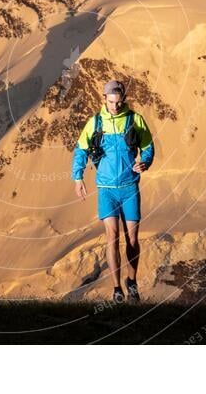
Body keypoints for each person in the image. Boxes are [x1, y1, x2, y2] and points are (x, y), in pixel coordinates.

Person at [71, 80, 155, 304]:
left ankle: (132, 282)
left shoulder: (134, 119)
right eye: (111, 102)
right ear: (104, 99)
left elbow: (148, 146)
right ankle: (117, 289)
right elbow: (80, 148)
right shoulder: (96, 122)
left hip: (129, 187)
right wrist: (77, 177)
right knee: (111, 237)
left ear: (123, 100)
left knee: (133, 239)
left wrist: (145, 162)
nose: (115, 107)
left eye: (118, 103)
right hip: (106, 189)